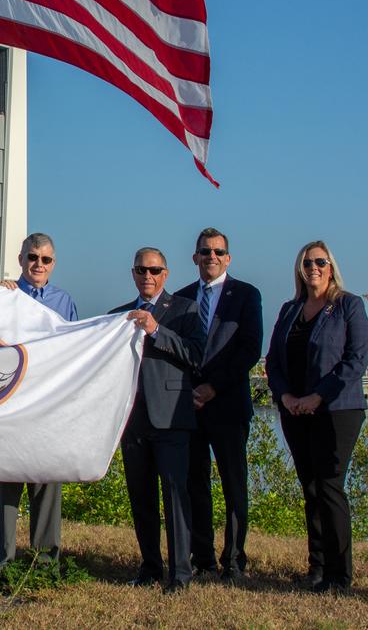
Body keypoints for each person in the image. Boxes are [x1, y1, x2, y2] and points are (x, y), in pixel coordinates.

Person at [265, 241, 368, 593]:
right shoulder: (289, 309)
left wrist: (317, 396)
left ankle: (340, 574)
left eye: (320, 261)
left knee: (329, 487)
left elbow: (355, 361)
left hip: (337, 411)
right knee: (309, 488)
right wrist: (287, 396)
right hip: (295, 411)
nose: (313, 267)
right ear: (299, 268)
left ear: (331, 266)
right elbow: (273, 362)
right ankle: (318, 567)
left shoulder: (348, 306)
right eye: (307, 262)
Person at [110, 248, 204, 593]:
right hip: (132, 420)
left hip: (171, 417)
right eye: (141, 270)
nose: (147, 276)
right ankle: (150, 567)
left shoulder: (184, 309)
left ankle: (180, 574)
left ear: (165, 274)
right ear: (133, 273)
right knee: (141, 496)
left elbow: (195, 354)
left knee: (177, 497)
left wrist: (156, 330)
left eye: (154, 270)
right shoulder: (118, 315)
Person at [173, 228, 262, 581]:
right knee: (195, 485)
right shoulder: (179, 299)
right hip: (189, 407)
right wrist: (192, 391)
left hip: (227, 404)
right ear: (195, 257)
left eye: (218, 251)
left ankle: (235, 560)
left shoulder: (246, 295)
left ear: (228, 257)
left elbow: (250, 348)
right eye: (205, 251)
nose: (212, 257)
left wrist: (213, 387)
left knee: (233, 485)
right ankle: (203, 557)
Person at [0, 233, 78, 585]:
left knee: (47, 485)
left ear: (53, 263)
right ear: (21, 258)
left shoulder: (64, 301)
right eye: (32, 258)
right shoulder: (5, 296)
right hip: (12, 403)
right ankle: (2, 565)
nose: (38, 265)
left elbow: (75, 348)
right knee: (7, 487)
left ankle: (45, 566)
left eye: (45, 260)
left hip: (48, 405)